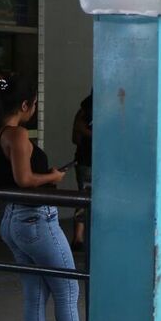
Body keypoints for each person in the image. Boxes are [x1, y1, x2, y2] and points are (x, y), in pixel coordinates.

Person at [0, 76, 88, 321]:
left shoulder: (0, 134)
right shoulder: (18, 135)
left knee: (35, 293)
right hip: (35, 220)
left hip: (12, 220)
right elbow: (24, 180)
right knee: (67, 288)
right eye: (34, 104)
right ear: (25, 105)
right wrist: (52, 177)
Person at [69, 91, 93, 250]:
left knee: (83, 198)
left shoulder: (84, 110)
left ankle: (78, 237)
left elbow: (74, 138)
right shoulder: (89, 109)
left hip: (85, 159)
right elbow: (76, 133)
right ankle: (79, 238)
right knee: (85, 198)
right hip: (88, 160)